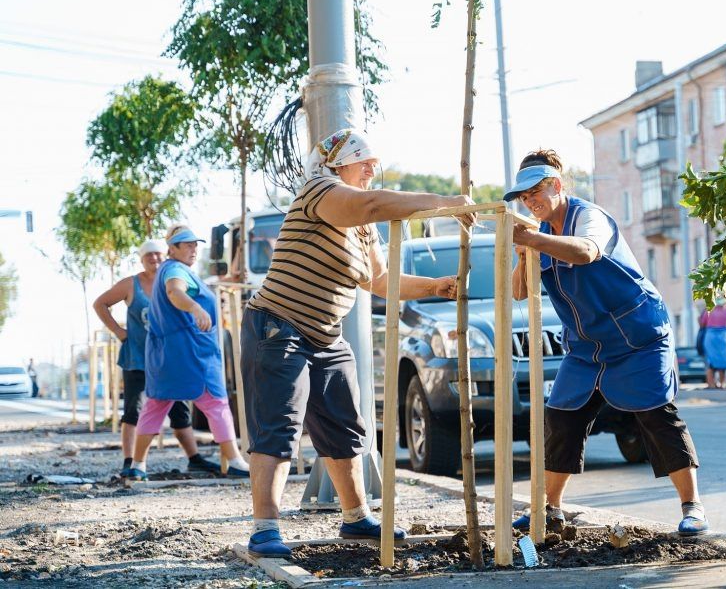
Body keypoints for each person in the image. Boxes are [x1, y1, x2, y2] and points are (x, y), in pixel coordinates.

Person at [241, 129, 471, 559]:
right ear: (335, 164)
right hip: (279, 327)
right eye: (361, 159)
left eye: (373, 161)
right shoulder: (320, 190)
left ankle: (355, 518)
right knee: (279, 427)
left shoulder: (364, 230)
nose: (370, 167)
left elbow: (380, 280)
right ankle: (265, 529)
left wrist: (437, 286)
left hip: (326, 335)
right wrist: (446, 202)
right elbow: (368, 203)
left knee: (346, 426)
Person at [507, 149, 708, 538]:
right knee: (562, 418)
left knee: (656, 417)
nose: (531, 201)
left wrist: (535, 239)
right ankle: (550, 510)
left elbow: (586, 252)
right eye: (524, 196)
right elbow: (519, 292)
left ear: (558, 186)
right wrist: (523, 253)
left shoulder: (589, 217)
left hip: (637, 337)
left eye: (537, 191)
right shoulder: (540, 234)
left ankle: (693, 507)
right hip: (587, 348)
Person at [122, 225, 249, 482]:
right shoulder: (175, 270)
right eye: (187, 245)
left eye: (195, 244)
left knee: (155, 406)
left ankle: (137, 465)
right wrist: (195, 309)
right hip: (192, 354)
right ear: (172, 249)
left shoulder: (168, 270)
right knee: (216, 403)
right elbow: (175, 292)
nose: (193, 249)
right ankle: (235, 461)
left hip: (165, 355)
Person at [94, 240, 220, 476]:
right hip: (138, 358)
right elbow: (100, 303)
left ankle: (194, 458)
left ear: (167, 256)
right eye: (149, 255)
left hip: (170, 359)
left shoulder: (175, 279)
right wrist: (119, 332)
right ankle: (130, 461)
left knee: (180, 410)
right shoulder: (131, 284)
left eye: (158, 254)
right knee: (134, 408)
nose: (154, 259)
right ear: (141, 259)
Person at [701, 296, 726, 389]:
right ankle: (722, 383)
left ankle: (711, 384)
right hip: (723, 337)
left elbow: (702, 323)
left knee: (710, 362)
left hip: (711, 337)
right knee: (722, 362)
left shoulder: (709, 309)